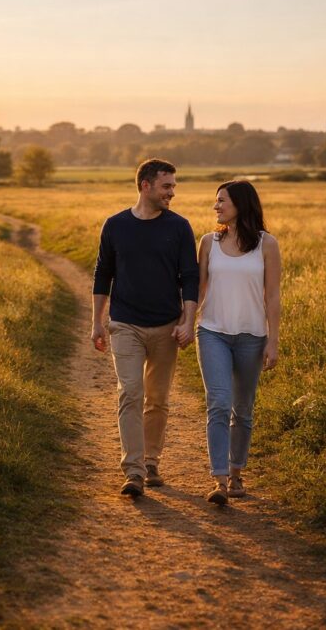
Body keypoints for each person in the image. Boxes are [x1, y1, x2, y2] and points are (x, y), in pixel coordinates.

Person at [91, 159, 199, 497]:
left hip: (166, 326)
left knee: (158, 399)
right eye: (167, 187)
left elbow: (190, 279)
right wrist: (97, 321)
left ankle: (152, 460)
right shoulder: (115, 225)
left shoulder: (180, 227)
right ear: (146, 186)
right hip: (124, 324)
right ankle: (134, 470)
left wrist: (187, 321)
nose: (172, 193)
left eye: (173, 187)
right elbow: (102, 274)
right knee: (131, 392)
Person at [195, 180, 281, 505]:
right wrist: (185, 323)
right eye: (215, 201)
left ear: (241, 204)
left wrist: (273, 340)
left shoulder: (266, 244)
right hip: (213, 331)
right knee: (218, 402)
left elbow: (272, 296)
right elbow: (199, 291)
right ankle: (218, 479)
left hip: (252, 336)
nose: (216, 207)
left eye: (222, 201)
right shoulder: (208, 242)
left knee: (242, 409)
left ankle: (235, 472)